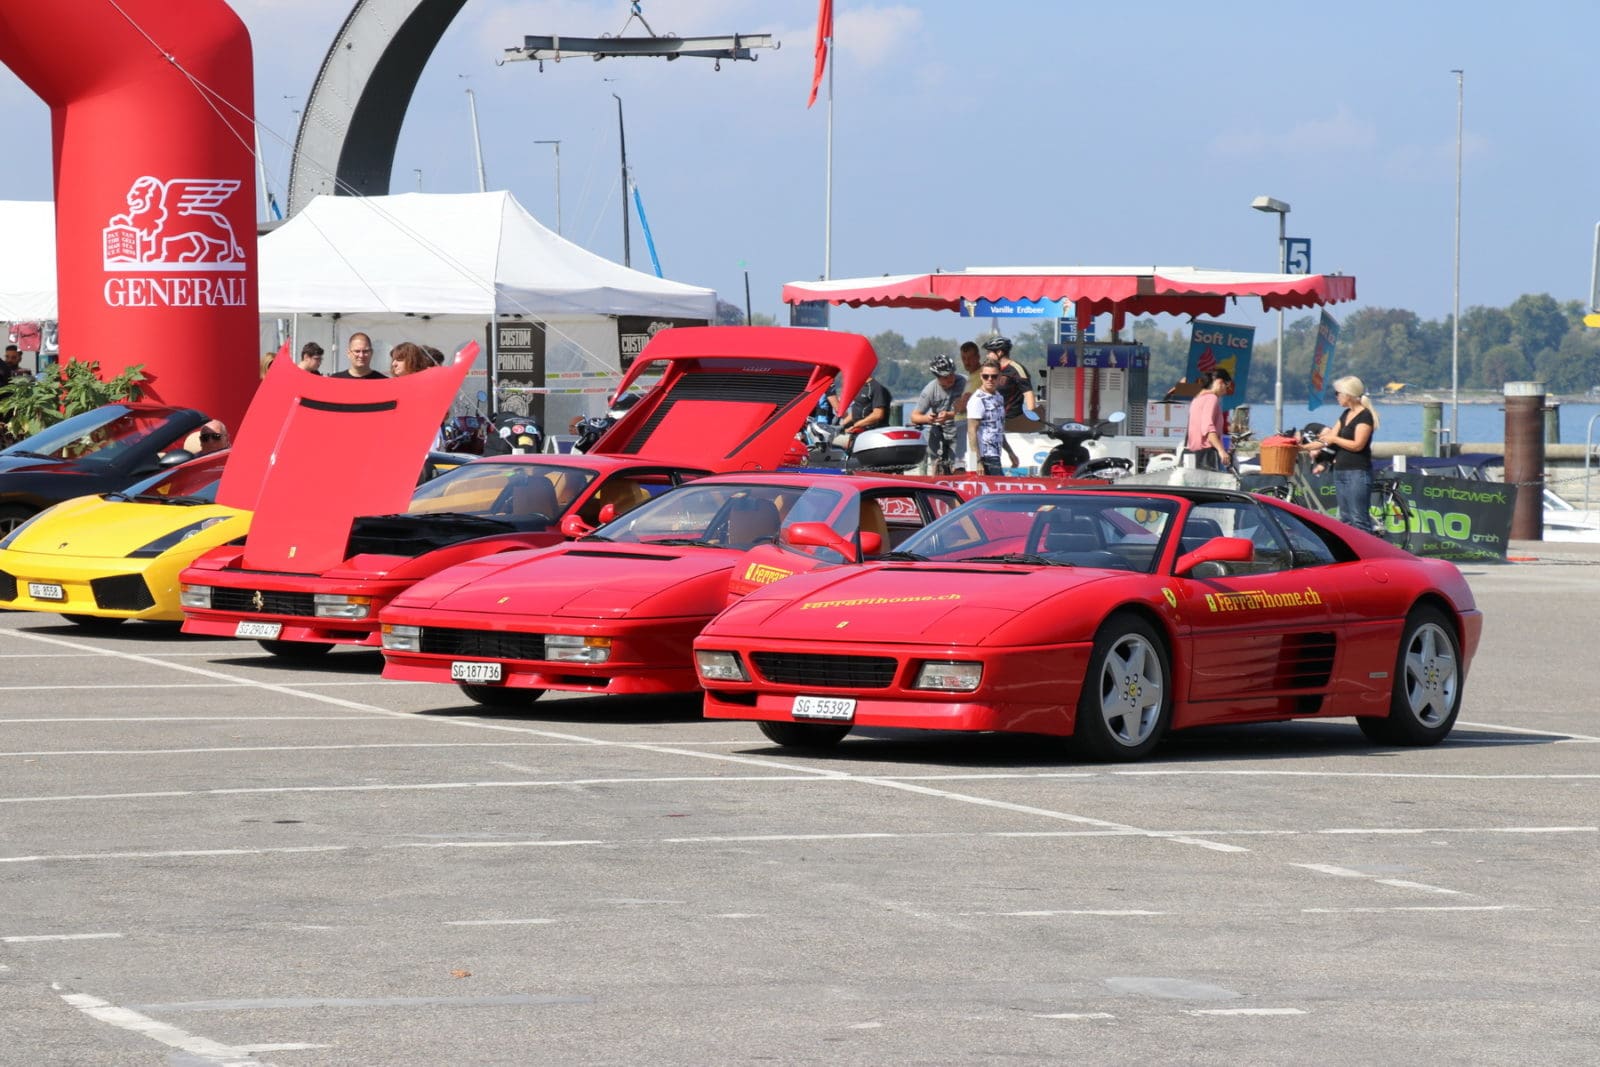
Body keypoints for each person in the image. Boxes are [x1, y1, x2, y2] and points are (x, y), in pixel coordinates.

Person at [1310, 374, 1379, 532]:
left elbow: (1357, 445)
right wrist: (1302, 447)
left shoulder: (1365, 416)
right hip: (1340, 470)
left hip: (1357, 471)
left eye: (1338, 393)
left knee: (1359, 519)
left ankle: (1366, 547)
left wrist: (1334, 439)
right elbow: (1328, 439)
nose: (1336, 397)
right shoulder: (1345, 414)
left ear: (1348, 394)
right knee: (1345, 519)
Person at [911, 354, 966, 475]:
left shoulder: (964, 383)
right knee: (937, 470)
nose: (951, 378)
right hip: (938, 434)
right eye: (945, 377)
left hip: (959, 433)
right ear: (937, 377)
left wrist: (950, 415)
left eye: (952, 374)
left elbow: (974, 410)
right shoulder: (930, 390)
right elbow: (914, 416)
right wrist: (927, 418)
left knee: (959, 470)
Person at [1184, 368, 1233, 470]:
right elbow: (1207, 427)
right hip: (1207, 452)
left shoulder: (1197, 398)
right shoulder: (1212, 398)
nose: (1225, 392)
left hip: (1193, 451)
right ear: (1220, 382)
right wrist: (1221, 450)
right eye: (1227, 387)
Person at [966, 358, 1007, 475]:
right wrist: (978, 461)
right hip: (985, 456)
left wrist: (1010, 452)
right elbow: (971, 431)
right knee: (999, 485)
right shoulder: (977, 400)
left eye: (994, 376)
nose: (990, 379)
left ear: (999, 377)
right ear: (981, 376)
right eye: (986, 376)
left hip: (996, 453)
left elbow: (998, 428)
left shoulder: (999, 397)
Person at [832, 371, 892, 450]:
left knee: (837, 444)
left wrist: (856, 425)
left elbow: (878, 414)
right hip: (857, 430)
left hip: (871, 431)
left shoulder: (876, 388)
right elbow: (858, 411)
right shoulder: (860, 387)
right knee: (832, 441)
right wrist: (841, 425)